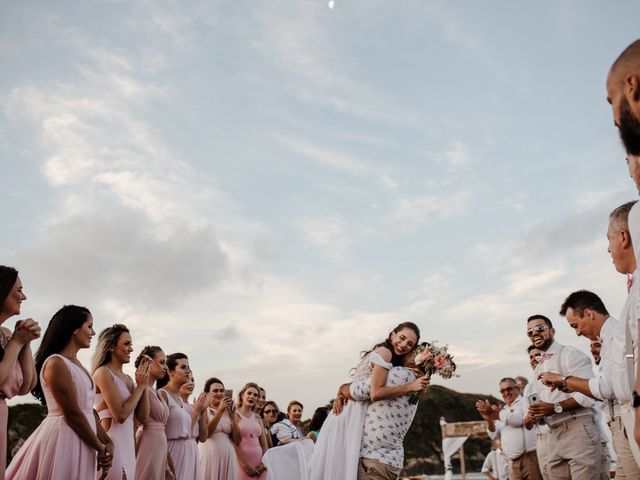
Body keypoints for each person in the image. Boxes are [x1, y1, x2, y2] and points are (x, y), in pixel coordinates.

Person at [309, 322, 428, 480]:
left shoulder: (394, 366)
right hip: (350, 414)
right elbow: (375, 391)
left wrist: (342, 390)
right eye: (402, 338)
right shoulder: (386, 353)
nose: (404, 345)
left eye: (410, 345)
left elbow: (366, 389)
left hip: (353, 414)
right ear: (392, 334)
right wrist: (410, 386)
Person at [539, 289, 638, 478]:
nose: (577, 333)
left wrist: (562, 379)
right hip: (617, 427)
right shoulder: (612, 337)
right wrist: (569, 385)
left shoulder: (616, 336)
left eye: (576, 325)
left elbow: (606, 388)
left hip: (625, 423)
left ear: (589, 314)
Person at [7, 305, 113, 479]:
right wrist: (99, 447)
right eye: (89, 326)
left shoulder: (78, 365)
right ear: (74, 329)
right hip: (65, 438)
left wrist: (107, 441)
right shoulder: (56, 363)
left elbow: (88, 410)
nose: (93, 333)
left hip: (84, 438)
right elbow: (72, 413)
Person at [528, 314, 601, 480]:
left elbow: (589, 396)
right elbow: (544, 404)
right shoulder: (538, 368)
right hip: (552, 434)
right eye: (530, 332)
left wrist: (554, 408)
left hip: (578, 428)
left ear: (552, 331)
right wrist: (538, 414)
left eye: (539, 328)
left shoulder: (570, 355)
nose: (534, 334)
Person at [340, 350, 423, 480]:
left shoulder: (400, 374)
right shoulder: (416, 381)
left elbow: (358, 390)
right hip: (388, 460)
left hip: (375, 460)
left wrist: (342, 389)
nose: (403, 350)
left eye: (412, 351)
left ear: (416, 360)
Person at [93, 324, 150, 480]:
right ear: (111, 346)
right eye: (126, 344)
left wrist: (143, 385)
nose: (131, 349)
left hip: (128, 446)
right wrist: (139, 388)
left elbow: (143, 417)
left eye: (131, 344)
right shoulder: (103, 373)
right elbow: (120, 415)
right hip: (112, 443)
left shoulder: (129, 379)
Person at [0, 266, 40, 480]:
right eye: (19, 290)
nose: (23, 296)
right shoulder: (10, 340)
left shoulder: (5, 335)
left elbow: (27, 386)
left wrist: (25, 343)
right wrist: (16, 342)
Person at [476, 377, 541, 480]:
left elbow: (519, 420)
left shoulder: (525, 401)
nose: (506, 393)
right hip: (512, 462)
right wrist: (489, 419)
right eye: (502, 391)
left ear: (517, 388)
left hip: (530, 459)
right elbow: (493, 434)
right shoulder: (504, 410)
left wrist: (494, 414)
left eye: (509, 389)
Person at [134, 346, 174, 480]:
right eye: (162, 362)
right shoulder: (139, 389)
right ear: (148, 363)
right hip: (147, 442)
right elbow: (136, 422)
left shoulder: (158, 393)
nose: (165, 367)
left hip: (160, 445)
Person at [159, 353, 199, 480]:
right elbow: (159, 431)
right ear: (170, 372)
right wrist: (166, 461)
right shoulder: (162, 394)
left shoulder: (180, 400)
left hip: (185, 453)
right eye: (183, 367)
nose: (187, 371)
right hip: (171, 452)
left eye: (188, 367)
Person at [199, 377, 240, 480]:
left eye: (222, 391)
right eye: (215, 391)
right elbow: (206, 434)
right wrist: (220, 411)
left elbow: (238, 440)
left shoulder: (229, 411)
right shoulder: (204, 410)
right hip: (209, 456)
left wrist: (232, 418)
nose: (219, 393)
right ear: (207, 393)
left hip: (228, 456)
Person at [522, 345, 550, 480]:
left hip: (560, 432)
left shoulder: (555, 377)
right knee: (547, 475)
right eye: (531, 357)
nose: (533, 359)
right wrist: (530, 417)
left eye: (537, 355)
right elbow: (527, 423)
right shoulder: (529, 388)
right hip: (541, 438)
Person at [235, 383, 268, 479]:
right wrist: (245, 466)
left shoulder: (257, 417)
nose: (252, 396)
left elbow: (264, 444)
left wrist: (264, 462)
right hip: (242, 465)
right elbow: (232, 443)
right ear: (242, 395)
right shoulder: (234, 415)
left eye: (255, 395)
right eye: (249, 393)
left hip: (260, 465)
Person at [179, 373, 209, 479]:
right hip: (180, 449)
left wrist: (203, 412)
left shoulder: (195, 406)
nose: (191, 383)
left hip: (194, 450)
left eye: (192, 380)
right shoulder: (176, 406)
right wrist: (196, 412)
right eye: (187, 380)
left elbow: (203, 437)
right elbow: (183, 431)